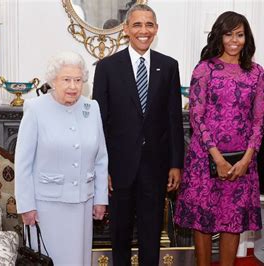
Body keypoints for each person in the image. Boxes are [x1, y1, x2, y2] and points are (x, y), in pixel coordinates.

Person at [92, 4, 184, 266]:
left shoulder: (168, 66)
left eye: (149, 25)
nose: (144, 31)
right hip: (118, 167)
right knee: (119, 234)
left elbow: (173, 119)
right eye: (137, 25)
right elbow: (99, 123)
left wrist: (176, 163)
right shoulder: (107, 67)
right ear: (126, 29)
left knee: (151, 234)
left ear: (156, 29)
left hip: (155, 166)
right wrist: (102, 167)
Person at [174, 11, 264, 266]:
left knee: (232, 220)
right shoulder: (205, 69)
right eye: (229, 34)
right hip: (205, 159)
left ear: (246, 37)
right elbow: (197, 118)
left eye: (240, 34)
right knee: (202, 220)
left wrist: (247, 158)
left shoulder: (257, 73)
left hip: (241, 162)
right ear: (220, 36)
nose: (234, 40)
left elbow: (259, 121)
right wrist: (217, 158)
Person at [15, 51, 108, 265]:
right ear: (53, 81)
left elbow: (101, 158)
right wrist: (26, 205)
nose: (73, 86)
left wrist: (100, 198)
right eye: (66, 80)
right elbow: (23, 163)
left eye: (77, 80)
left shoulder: (91, 108)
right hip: (46, 206)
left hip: (82, 203)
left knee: (78, 260)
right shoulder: (35, 109)